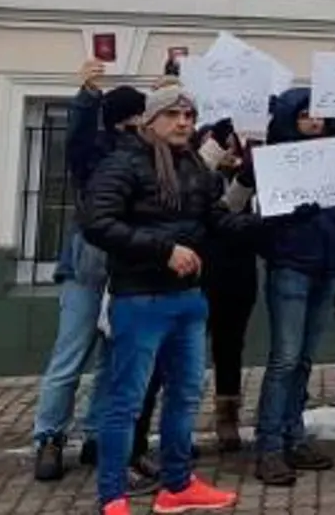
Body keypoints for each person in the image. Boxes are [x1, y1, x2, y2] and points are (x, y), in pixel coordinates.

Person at [80, 85, 267, 515]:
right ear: (150, 120)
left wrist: (271, 224)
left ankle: (178, 485)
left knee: (185, 395)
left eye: (189, 114)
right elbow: (97, 222)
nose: (183, 122)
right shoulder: (123, 162)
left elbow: (216, 218)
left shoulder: (194, 167)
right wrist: (163, 250)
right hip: (140, 299)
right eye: (173, 114)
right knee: (125, 401)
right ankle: (112, 496)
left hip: (188, 300)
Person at [242, 87, 335, 485]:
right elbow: (247, 215)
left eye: (319, 115)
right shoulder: (278, 161)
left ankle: (294, 435)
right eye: (304, 116)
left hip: (326, 271)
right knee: (285, 359)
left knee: (305, 360)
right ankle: (270, 445)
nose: (314, 122)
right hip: (291, 269)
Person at [32, 66, 143, 482]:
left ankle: (98, 436)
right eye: (138, 115)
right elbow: (77, 138)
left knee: (114, 363)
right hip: (88, 270)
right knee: (69, 358)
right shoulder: (95, 153)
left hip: (128, 272)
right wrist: (86, 95)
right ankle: (49, 437)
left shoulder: (145, 154)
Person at [196, 120, 258, 453]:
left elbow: (239, 212)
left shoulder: (245, 172)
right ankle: (173, 422)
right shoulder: (196, 173)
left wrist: (247, 171)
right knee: (187, 352)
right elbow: (216, 211)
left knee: (230, 348)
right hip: (200, 274)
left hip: (238, 272)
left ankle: (228, 415)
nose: (228, 149)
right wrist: (218, 138)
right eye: (220, 143)